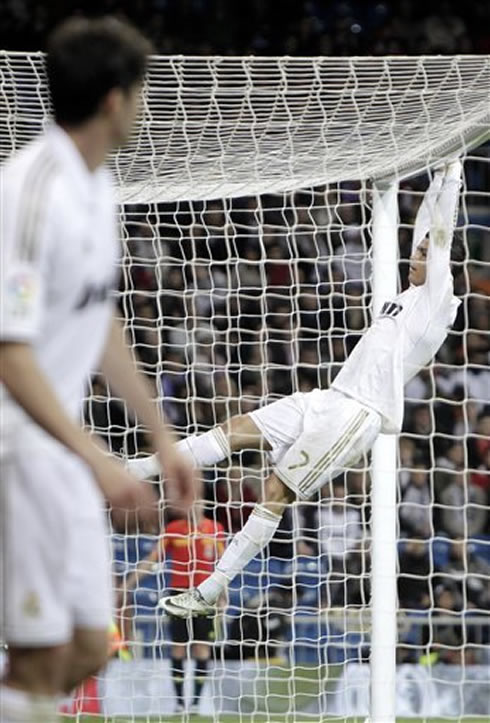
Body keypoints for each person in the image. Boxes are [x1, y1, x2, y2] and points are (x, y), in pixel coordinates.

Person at [127, 162, 465, 618]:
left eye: (424, 253)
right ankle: (137, 468)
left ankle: (211, 590)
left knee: (274, 491)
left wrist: (455, 176)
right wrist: (439, 176)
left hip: (356, 416)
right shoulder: (407, 296)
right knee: (236, 429)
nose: (416, 254)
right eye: (417, 249)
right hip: (328, 399)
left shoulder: (438, 305)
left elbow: (440, 236)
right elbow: (429, 226)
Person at [0, 17, 193, 723]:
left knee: (87, 643)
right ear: (115, 99)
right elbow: (9, 353)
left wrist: (161, 435)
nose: (142, 108)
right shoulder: (29, 191)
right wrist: (103, 463)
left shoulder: (98, 186)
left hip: (65, 451)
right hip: (17, 447)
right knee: (37, 654)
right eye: (140, 93)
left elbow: (98, 318)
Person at [118, 479, 225, 714]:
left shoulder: (215, 529)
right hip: (178, 595)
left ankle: (196, 702)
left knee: (201, 649)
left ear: (204, 503)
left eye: (197, 500)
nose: (194, 505)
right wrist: (128, 584)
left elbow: (223, 566)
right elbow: (152, 559)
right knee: (178, 648)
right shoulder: (174, 529)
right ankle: (179, 703)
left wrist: (223, 597)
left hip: (205, 596)